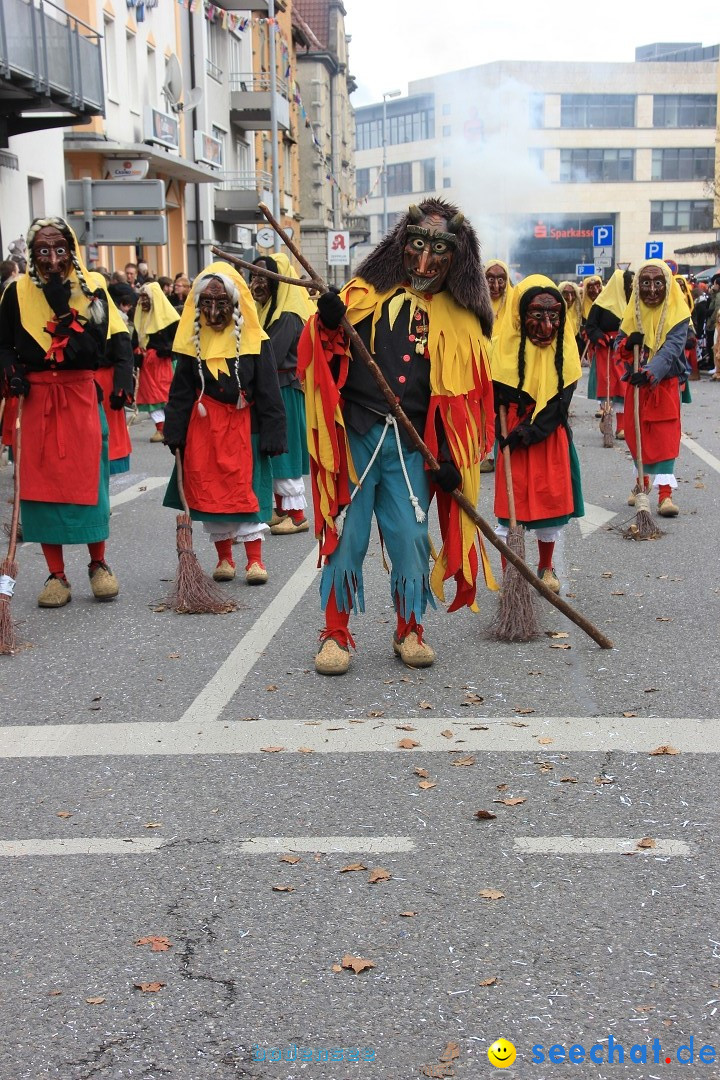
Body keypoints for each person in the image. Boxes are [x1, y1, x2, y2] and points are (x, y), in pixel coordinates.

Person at [298, 197, 496, 676]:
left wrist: (449, 458)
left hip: (412, 448)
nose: (425, 261)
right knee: (349, 536)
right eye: (417, 246)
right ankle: (334, 633)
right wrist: (326, 320)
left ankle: (409, 628)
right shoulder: (365, 294)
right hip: (359, 434)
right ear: (401, 244)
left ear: (458, 256)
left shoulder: (464, 320)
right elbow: (320, 350)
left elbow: (464, 401)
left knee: (410, 537)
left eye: (439, 251)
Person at [0, 216, 125, 607]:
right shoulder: (14, 293)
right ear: (33, 254)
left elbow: (95, 348)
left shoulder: (94, 289)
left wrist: (62, 307)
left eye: (59, 250)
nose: (51, 259)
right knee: (40, 488)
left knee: (88, 482)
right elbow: (4, 343)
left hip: (79, 396)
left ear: (70, 250)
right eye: (42, 250)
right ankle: (56, 574)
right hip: (37, 399)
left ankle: (98, 563)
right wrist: (11, 370)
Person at [162, 261, 287, 584]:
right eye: (207, 303)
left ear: (235, 304)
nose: (214, 311)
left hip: (246, 429)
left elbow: (270, 391)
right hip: (204, 431)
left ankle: (255, 561)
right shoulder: (191, 344)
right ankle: (224, 559)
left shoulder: (255, 341)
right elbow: (181, 392)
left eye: (221, 304)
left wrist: (273, 433)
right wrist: (175, 432)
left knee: (249, 494)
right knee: (211, 497)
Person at [491, 275, 584, 594]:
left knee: (548, 501)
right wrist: (499, 415)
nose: (546, 326)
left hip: (547, 433)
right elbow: (491, 392)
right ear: (520, 314)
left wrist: (531, 431)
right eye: (537, 315)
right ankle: (512, 574)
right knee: (510, 508)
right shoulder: (503, 344)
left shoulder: (564, 347)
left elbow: (561, 401)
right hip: (510, 432)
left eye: (554, 316)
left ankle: (546, 566)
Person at [615, 260, 691, 517]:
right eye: (645, 283)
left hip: (664, 385)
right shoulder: (632, 311)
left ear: (667, 285)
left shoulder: (678, 314)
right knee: (638, 436)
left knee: (665, 439)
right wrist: (628, 345)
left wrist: (649, 373)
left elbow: (672, 349)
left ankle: (665, 495)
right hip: (636, 386)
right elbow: (619, 345)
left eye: (658, 283)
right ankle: (641, 486)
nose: (651, 289)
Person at [249, 253, 315, 534]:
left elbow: (270, 356)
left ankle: (297, 515)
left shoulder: (288, 316)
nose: (257, 284)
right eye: (254, 276)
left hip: (284, 390)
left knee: (284, 452)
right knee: (273, 450)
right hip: (272, 390)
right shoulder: (268, 312)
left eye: (264, 277)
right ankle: (279, 509)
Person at [584, 268, 634, 439]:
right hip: (606, 351)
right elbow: (591, 326)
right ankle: (607, 418)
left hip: (624, 350)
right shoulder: (600, 305)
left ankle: (622, 426)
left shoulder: (631, 303)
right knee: (608, 385)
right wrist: (601, 337)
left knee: (623, 385)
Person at [133, 281, 180, 442]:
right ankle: (160, 428)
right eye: (142, 297)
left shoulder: (171, 318)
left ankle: (172, 426)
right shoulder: (139, 316)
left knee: (167, 396)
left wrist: (167, 349)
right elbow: (135, 339)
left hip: (164, 364)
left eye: (147, 297)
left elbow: (179, 341)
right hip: (147, 365)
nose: (143, 301)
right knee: (150, 398)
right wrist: (135, 356)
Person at [482, 260, 515, 475]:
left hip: (507, 374)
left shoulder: (514, 304)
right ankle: (486, 455)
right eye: (490, 278)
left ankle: (502, 453)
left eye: (501, 279)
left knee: (503, 415)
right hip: (481, 370)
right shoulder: (476, 303)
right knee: (484, 413)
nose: (495, 284)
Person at [558, 280, 583, 354]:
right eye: (565, 293)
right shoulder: (553, 314)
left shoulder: (579, 313)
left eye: (573, 293)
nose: (570, 298)